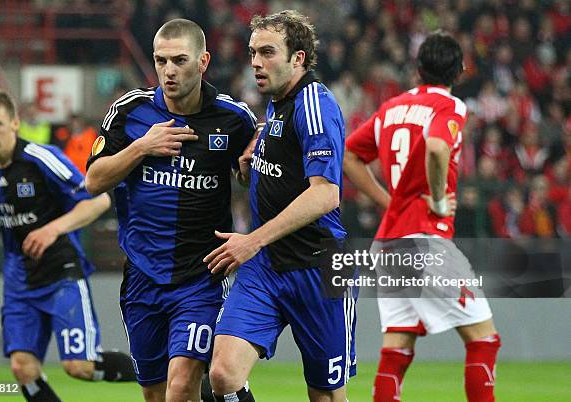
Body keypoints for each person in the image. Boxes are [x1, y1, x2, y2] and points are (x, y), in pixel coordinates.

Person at [85, 18, 257, 402]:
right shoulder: (131, 112)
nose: (169, 71)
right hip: (142, 277)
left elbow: (255, 172)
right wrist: (141, 147)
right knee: (156, 392)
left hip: (201, 277)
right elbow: (94, 180)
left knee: (181, 386)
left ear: (203, 61)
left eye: (179, 60)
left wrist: (249, 169)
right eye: (161, 61)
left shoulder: (233, 119)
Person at [204, 10, 355, 402]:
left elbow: (326, 194)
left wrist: (251, 240)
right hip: (266, 269)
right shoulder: (277, 102)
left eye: (268, 52)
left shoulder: (315, 105)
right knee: (222, 374)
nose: (255, 61)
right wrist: (256, 149)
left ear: (298, 58)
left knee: (325, 395)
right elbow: (284, 148)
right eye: (253, 52)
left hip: (317, 269)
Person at [343, 32, 501, 402]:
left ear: (417, 69)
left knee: (397, 349)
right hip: (426, 240)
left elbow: (349, 156)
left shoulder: (391, 108)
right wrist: (440, 203)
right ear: (460, 72)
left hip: (388, 244)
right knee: (484, 339)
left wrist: (389, 200)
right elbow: (435, 147)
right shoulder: (451, 107)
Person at [0, 88, 136, 402]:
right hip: (19, 281)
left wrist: (52, 229)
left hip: (60, 273)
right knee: (23, 369)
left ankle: (159, 372)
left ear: (14, 123)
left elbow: (96, 201)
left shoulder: (41, 158)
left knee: (79, 367)